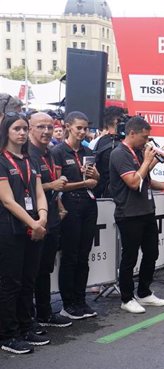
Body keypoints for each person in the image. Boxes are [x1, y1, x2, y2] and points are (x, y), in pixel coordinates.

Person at [110, 116, 164, 314]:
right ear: (132, 133)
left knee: (152, 252)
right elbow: (134, 182)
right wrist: (147, 160)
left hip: (146, 210)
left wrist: (154, 162)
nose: (146, 141)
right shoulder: (119, 153)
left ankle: (144, 292)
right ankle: (127, 298)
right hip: (128, 213)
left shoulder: (137, 152)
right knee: (130, 257)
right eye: (144, 137)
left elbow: (145, 179)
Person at [0, 112, 50, 354]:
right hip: (10, 229)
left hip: (33, 226)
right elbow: (8, 201)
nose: (21, 133)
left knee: (28, 280)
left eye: (23, 129)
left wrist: (42, 217)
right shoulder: (1, 160)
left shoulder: (30, 159)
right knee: (11, 283)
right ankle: (8, 335)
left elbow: (39, 192)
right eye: (16, 129)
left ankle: (25, 326)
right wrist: (33, 223)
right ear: (7, 132)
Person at [52, 111, 100, 320]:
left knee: (83, 256)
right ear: (68, 127)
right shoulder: (58, 152)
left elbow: (96, 182)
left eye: (85, 128)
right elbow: (57, 185)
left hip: (89, 204)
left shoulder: (88, 151)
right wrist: (84, 183)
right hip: (70, 204)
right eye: (78, 128)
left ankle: (80, 300)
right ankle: (68, 303)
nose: (82, 132)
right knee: (70, 256)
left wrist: (95, 177)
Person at [28, 112, 71, 328]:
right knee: (31, 272)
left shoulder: (50, 153)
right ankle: (29, 318)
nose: (46, 131)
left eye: (49, 126)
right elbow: (25, 190)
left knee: (45, 269)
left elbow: (55, 185)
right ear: (29, 128)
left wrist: (59, 205)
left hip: (52, 217)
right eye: (40, 127)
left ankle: (44, 313)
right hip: (33, 220)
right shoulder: (27, 154)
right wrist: (50, 187)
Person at [91, 106, 125, 198]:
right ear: (116, 121)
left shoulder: (100, 141)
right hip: (113, 194)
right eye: (123, 119)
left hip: (104, 192)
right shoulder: (117, 144)